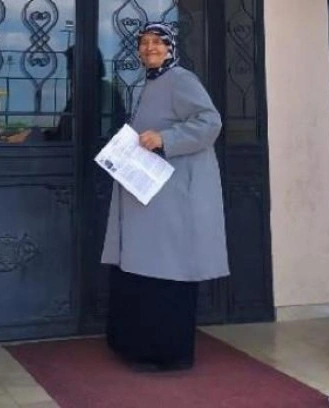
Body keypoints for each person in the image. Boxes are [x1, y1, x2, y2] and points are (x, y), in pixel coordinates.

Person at [101, 22, 229, 372]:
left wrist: (165, 139)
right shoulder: (150, 83)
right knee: (143, 269)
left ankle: (167, 353)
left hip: (171, 196)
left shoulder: (181, 79)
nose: (150, 48)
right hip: (149, 195)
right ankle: (137, 347)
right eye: (144, 43)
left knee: (167, 270)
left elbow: (210, 122)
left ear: (171, 47)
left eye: (157, 42)